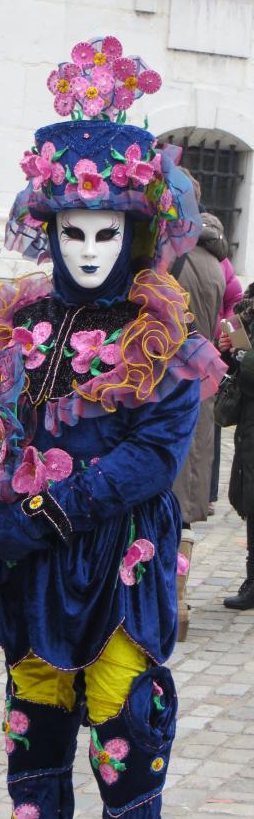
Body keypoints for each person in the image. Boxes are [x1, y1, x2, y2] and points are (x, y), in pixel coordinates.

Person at [0, 35, 225, 819]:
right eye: (71, 232)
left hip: (116, 560)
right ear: (49, 226)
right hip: (29, 567)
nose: (84, 250)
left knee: (123, 720)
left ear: (137, 232)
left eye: (104, 233)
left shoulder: (161, 332)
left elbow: (154, 454)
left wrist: (48, 509)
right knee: (32, 717)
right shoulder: (24, 319)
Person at [170, 203, 225, 639]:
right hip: (201, 386)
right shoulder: (215, 263)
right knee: (185, 504)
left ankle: (168, 599)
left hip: (165, 384)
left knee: (163, 495)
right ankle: (179, 600)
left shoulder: (171, 257)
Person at [198, 213, 243, 513]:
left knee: (208, 420)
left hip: (209, 343)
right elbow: (235, 302)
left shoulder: (199, 258)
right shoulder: (223, 261)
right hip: (219, 344)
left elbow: (233, 304)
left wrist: (229, 338)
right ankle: (210, 492)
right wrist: (232, 338)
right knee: (210, 423)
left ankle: (208, 491)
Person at [221, 286, 254, 610]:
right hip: (249, 422)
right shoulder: (248, 308)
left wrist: (243, 355)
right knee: (249, 498)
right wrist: (231, 350)